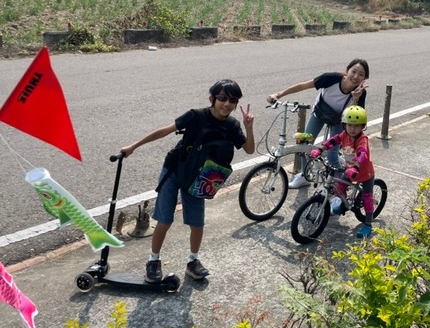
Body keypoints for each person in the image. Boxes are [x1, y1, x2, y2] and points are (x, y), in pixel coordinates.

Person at [120, 79, 255, 283]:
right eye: (222, 98)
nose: (227, 104)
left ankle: (192, 261)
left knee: (197, 223)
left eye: (232, 100)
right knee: (164, 220)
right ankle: (153, 261)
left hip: (200, 177)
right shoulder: (196, 116)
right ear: (212, 98)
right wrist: (134, 146)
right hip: (175, 170)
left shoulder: (233, 125)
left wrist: (249, 127)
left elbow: (249, 149)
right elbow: (165, 130)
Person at [267, 59, 369, 188]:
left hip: (339, 121)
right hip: (319, 113)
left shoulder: (361, 93)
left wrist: (355, 98)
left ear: (365, 78)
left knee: (332, 155)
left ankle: (340, 185)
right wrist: (279, 94)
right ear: (347, 71)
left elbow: (356, 118)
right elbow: (304, 85)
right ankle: (305, 176)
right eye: (353, 71)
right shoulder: (331, 78)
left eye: (361, 74)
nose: (355, 76)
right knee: (304, 145)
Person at [309, 105, 375, 238]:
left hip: (364, 173)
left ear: (362, 126)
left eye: (356, 126)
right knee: (339, 187)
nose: (352, 129)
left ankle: (368, 224)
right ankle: (344, 206)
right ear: (344, 125)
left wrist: (355, 167)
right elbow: (332, 141)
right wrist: (320, 149)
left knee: (367, 199)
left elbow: (363, 154)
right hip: (349, 170)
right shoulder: (344, 134)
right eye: (349, 125)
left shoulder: (362, 139)